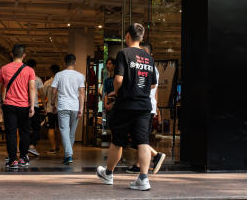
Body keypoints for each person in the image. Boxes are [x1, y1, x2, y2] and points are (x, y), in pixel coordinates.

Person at [96, 23, 157, 190]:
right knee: (143, 141)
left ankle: (108, 174)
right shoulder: (148, 58)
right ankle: (143, 179)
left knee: (118, 141)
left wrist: (116, 91)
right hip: (144, 105)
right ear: (142, 37)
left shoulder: (124, 53)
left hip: (126, 104)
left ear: (127, 36)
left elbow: (118, 79)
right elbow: (152, 85)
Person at [126, 43, 166, 174]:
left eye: (142, 51)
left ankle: (156, 155)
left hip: (145, 106)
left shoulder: (151, 68)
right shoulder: (146, 67)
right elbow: (156, 91)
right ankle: (139, 164)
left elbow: (153, 87)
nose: (139, 54)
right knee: (140, 136)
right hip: (146, 106)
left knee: (140, 137)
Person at [0, 44, 38, 168]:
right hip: (24, 106)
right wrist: (32, 105)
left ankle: (13, 160)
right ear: (24, 55)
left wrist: (0, 100)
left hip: (9, 105)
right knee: (25, 132)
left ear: (11, 54)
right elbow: (31, 87)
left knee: (11, 133)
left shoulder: (4, 68)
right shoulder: (30, 70)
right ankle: (23, 158)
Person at [52, 54, 86, 164]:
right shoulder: (80, 76)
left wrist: (52, 103)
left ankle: (68, 154)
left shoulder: (59, 75)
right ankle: (68, 155)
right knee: (71, 133)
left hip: (63, 106)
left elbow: (54, 91)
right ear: (75, 63)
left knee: (64, 130)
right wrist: (81, 108)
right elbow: (81, 93)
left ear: (64, 63)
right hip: (75, 107)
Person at [26, 59, 45, 157]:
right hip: (35, 106)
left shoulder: (22, 77)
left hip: (23, 106)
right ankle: (32, 145)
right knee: (37, 127)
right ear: (34, 67)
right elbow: (41, 94)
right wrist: (45, 107)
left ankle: (24, 149)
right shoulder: (37, 79)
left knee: (25, 128)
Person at [42, 64, 62, 154]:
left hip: (50, 108)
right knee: (59, 128)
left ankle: (53, 148)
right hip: (61, 108)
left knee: (51, 128)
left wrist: (44, 107)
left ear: (51, 72)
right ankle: (58, 146)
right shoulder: (62, 82)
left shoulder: (47, 83)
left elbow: (43, 95)